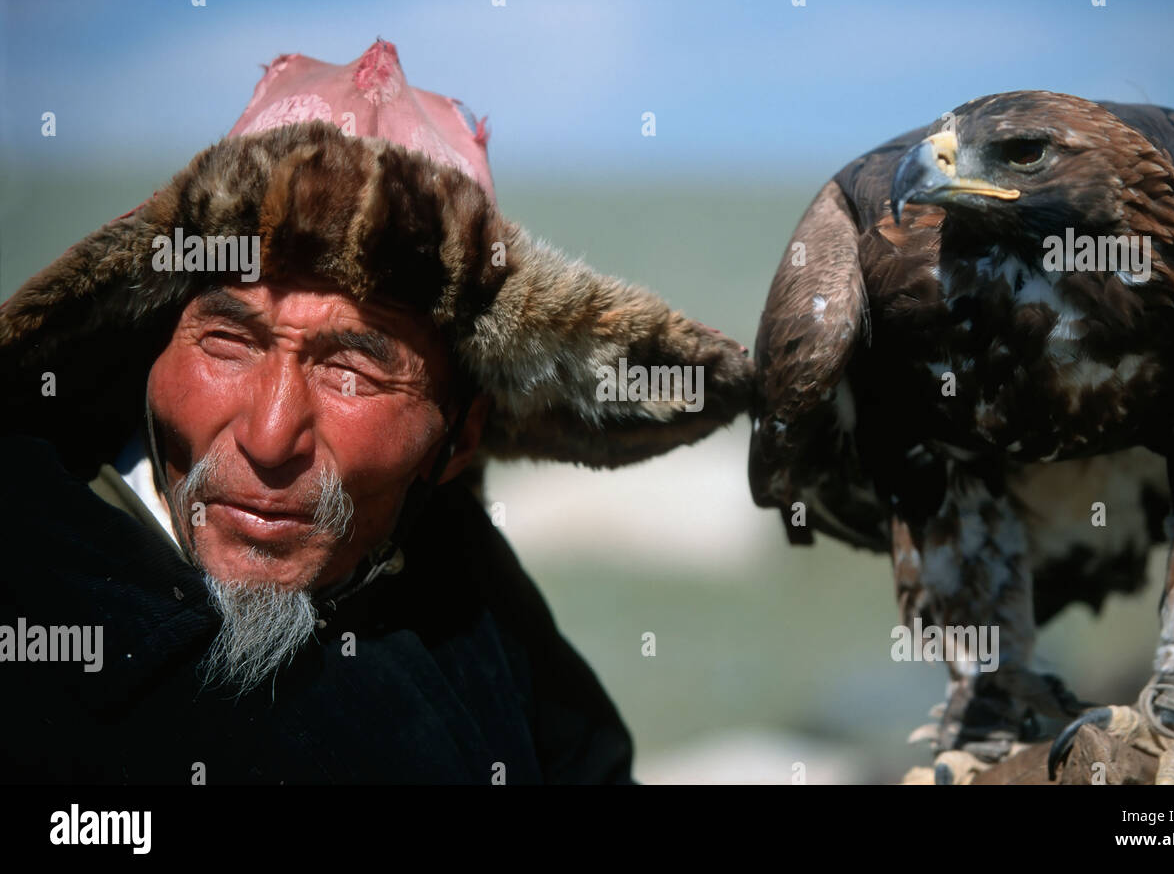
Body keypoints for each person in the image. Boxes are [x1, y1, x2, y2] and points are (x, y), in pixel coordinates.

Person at [0, 40, 752, 784]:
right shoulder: (31, 579)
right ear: (152, 340)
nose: (268, 437)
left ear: (461, 436)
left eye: (351, 371)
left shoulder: (471, 599)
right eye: (228, 342)